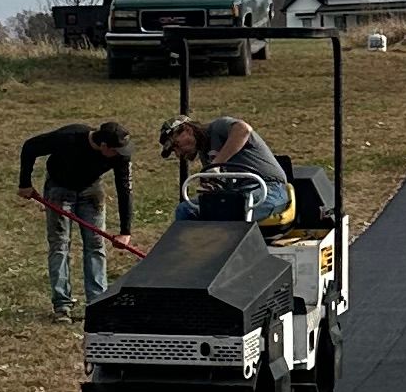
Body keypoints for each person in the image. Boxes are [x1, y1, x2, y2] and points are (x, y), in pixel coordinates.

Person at [18, 120, 134, 316]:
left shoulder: (120, 155)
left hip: (91, 192)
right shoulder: (67, 137)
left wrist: (125, 231)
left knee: (96, 246)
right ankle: (62, 305)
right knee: (60, 245)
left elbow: (125, 188)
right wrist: (25, 183)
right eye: (116, 150)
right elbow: (30, 147)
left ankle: (97, 302)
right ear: (104, 146)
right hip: (59, 189)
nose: (122, 154)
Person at [158, 110, 294, 224]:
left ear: (187, 130)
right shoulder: (205, 154)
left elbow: (243, 130)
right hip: (236, 194)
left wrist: (216, 165)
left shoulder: (219, 127)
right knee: (186, 209)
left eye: (176, 145)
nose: (178, 153)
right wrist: (211, 189)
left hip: (268, 188)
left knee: (231, 211)